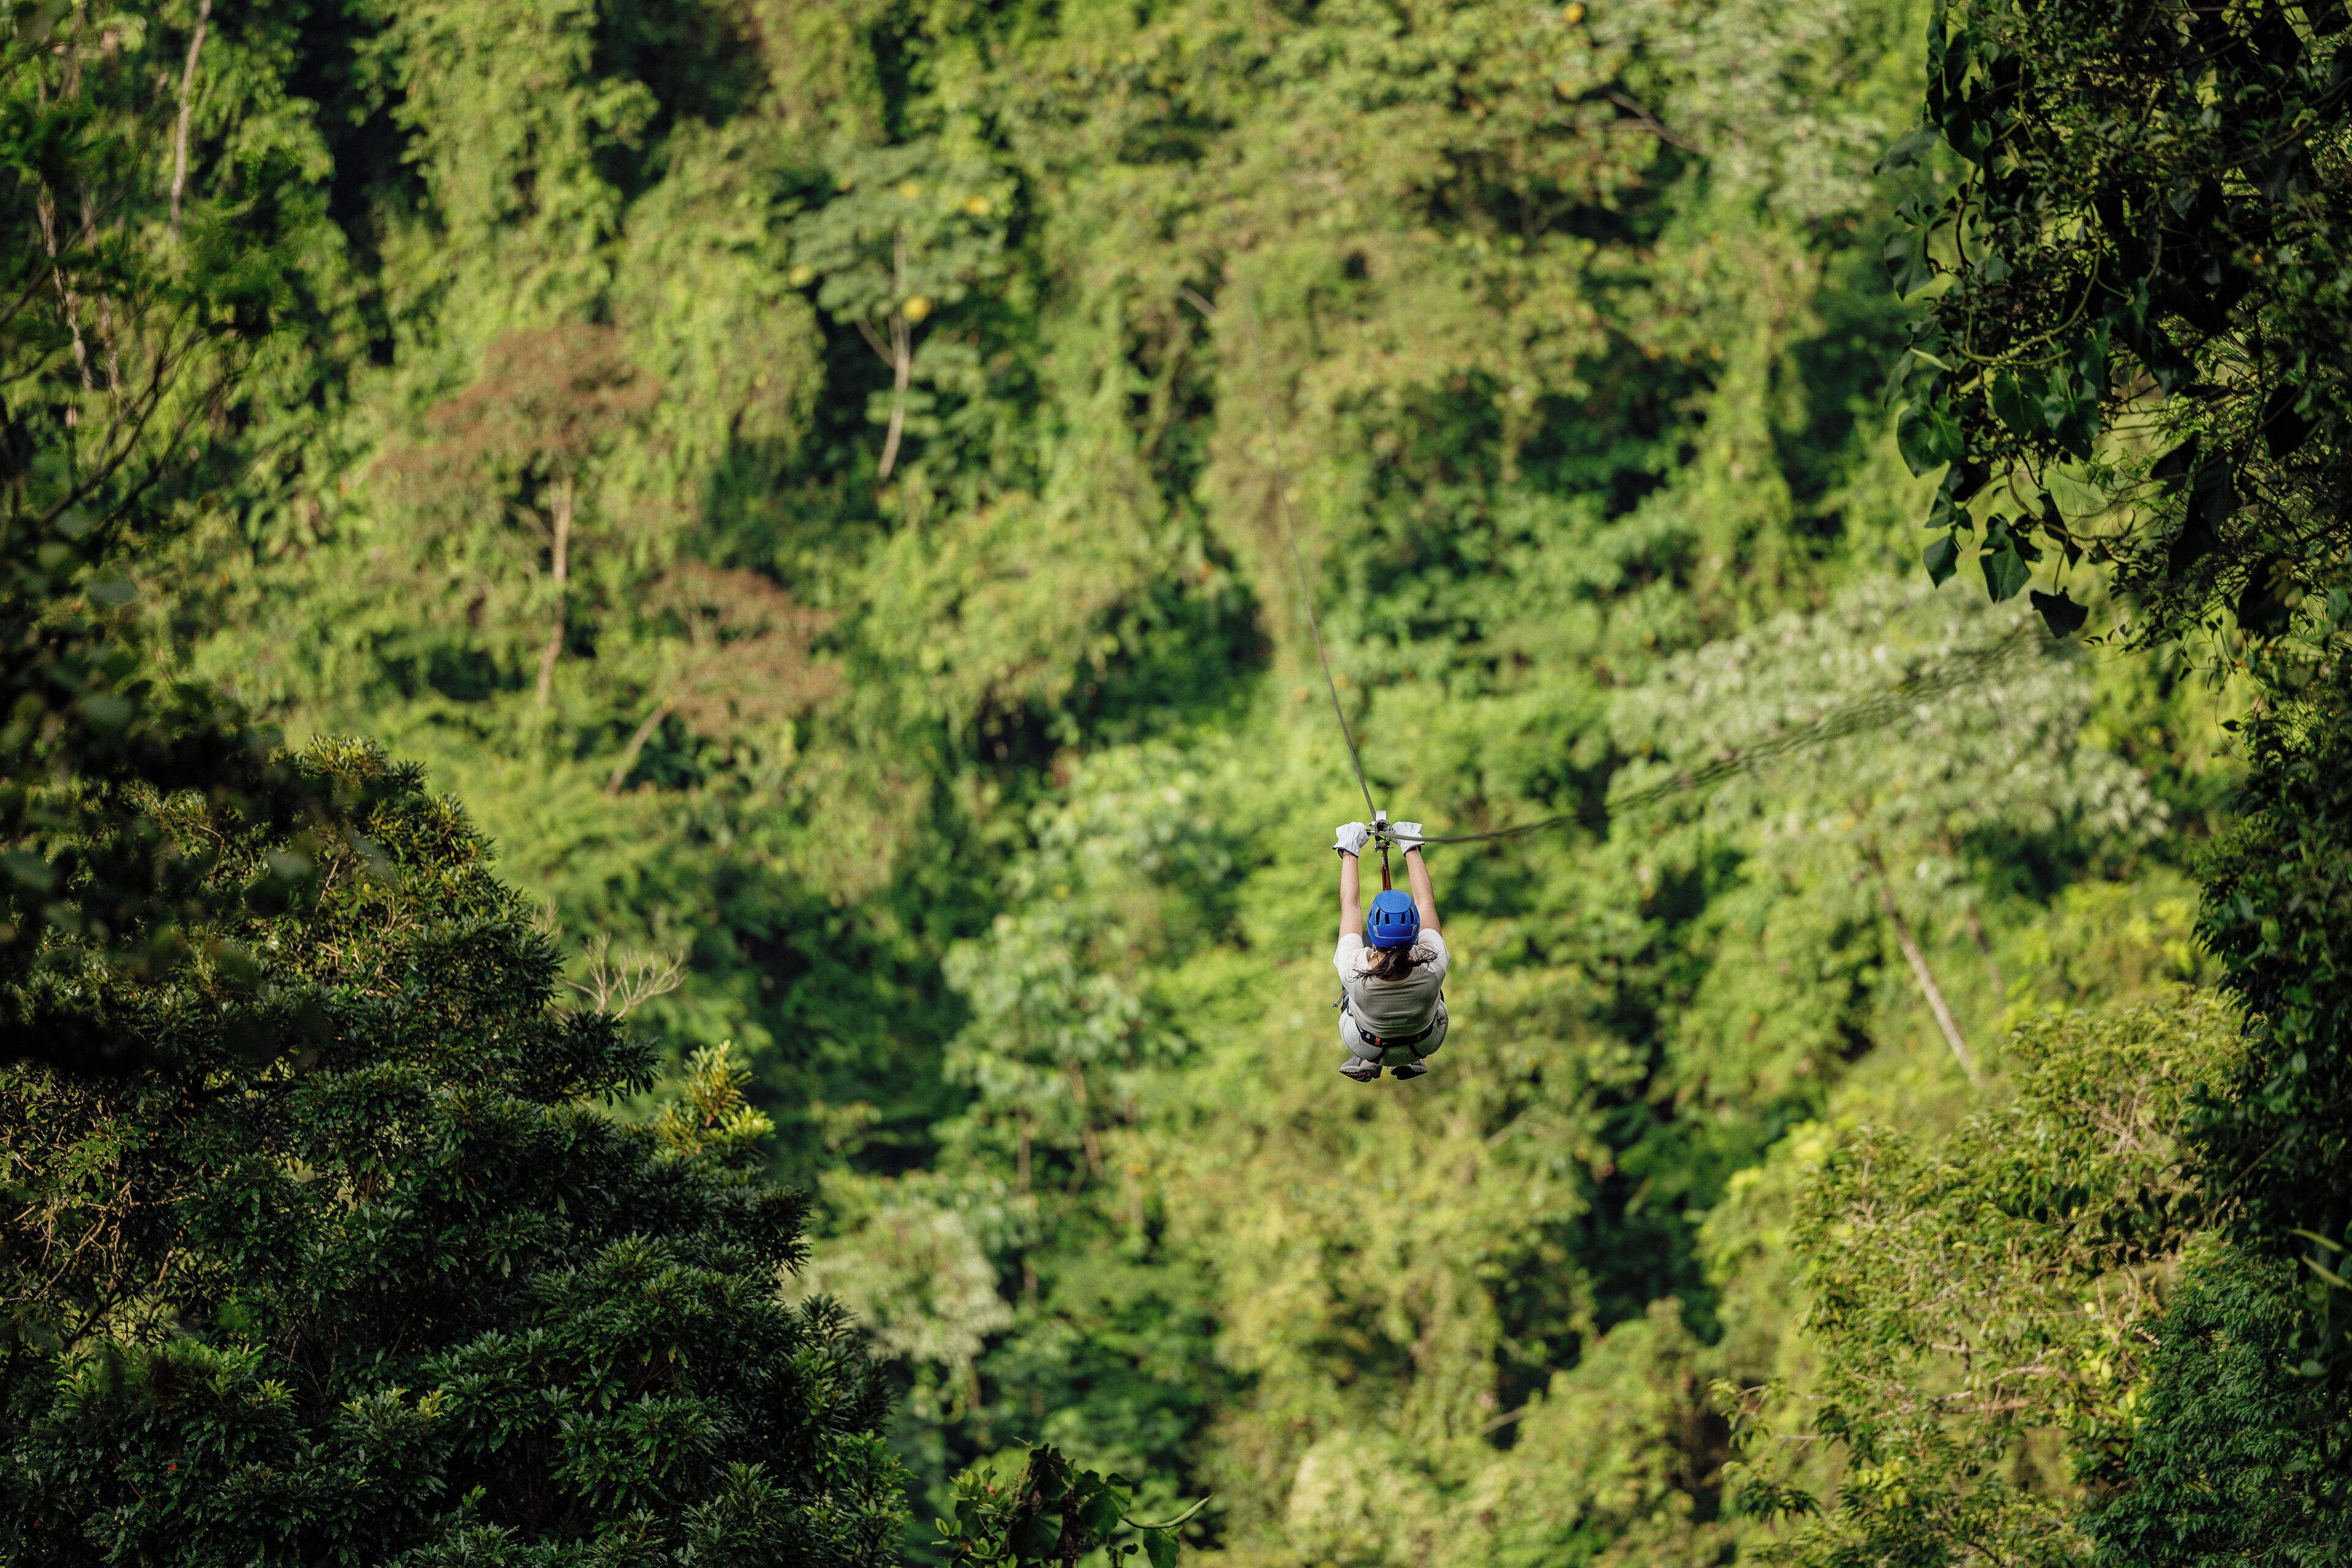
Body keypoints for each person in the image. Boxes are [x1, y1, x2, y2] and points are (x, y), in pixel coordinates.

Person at [1329, 820, 1446, 1082]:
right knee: (1438, 985)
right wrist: (1410, 844)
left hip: (1368, 1045)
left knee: (1348, 981)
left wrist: (1350, 849)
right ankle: (1411, 1058)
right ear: (1415, 928)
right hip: (1425, 1042)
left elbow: (1350, 905)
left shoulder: (1356, 970)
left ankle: (1364, 1060)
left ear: (1373, 929)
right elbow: (1425, 901)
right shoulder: (1433, 964)